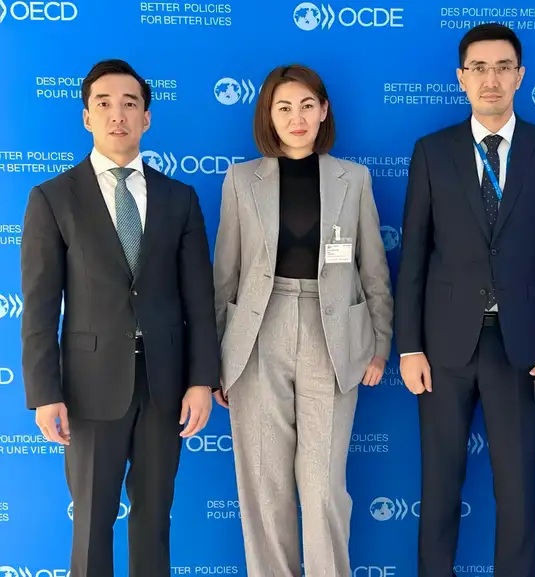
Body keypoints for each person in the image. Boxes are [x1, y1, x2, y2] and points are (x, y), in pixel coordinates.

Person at [20, 59, 220, 577]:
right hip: (88, 388)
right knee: (91, 521)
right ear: (87, 117)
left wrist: (202, 380)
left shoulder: (180, 198)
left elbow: (199, 300)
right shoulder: (52, 198)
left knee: (154, 521)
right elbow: (39, 306)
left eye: (130, 104)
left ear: (146, 118)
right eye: (104, 104)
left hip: (165, 386)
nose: (118, 115)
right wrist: (44, 392)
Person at [394, 23, 535, 577]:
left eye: (502, 67)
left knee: (517, 487)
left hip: (521, 347)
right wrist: (410, 347)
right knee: (439, 484)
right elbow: (414, 255)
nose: (490, 79)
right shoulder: (432, 151)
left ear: (520, 76)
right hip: (443, 347)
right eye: (478, 68)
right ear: (461, 77)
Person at [212, 64, 393, 577]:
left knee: (323, 486)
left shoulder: (353, 178)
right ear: (268, 115)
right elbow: (224, 276)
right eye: (284, 107)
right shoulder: (240, 179)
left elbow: (373, 268)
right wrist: (215, 360)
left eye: (307, 106)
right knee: (263, 485)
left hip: (332, 335)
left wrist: (380, 344)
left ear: (324, 111)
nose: (297, 117)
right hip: (255, 336)